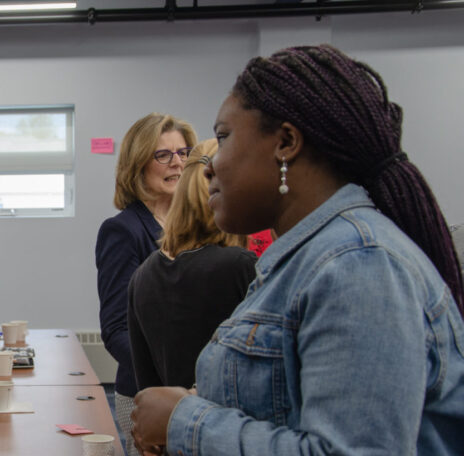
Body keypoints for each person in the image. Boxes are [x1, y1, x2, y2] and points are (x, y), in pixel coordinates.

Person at [131, 44, 464, 455]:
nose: (207, 168)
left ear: (286, 142)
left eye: (223, 137)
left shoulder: (358, 264)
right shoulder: (301, 262)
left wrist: (184, 420)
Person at [95, 113, 196, 455]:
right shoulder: (123, 230)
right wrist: (165, 382)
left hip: (198, 395)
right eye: (163, 155)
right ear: (138, 164)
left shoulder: (199, 225)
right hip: (146, 393)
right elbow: (115, 328)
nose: (177, 163)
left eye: (184, 153)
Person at [127, 140, 255, 391]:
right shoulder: (240, 266)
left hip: (175, 424)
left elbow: (148, 386)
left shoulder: (142, 275)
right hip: (229, 423)